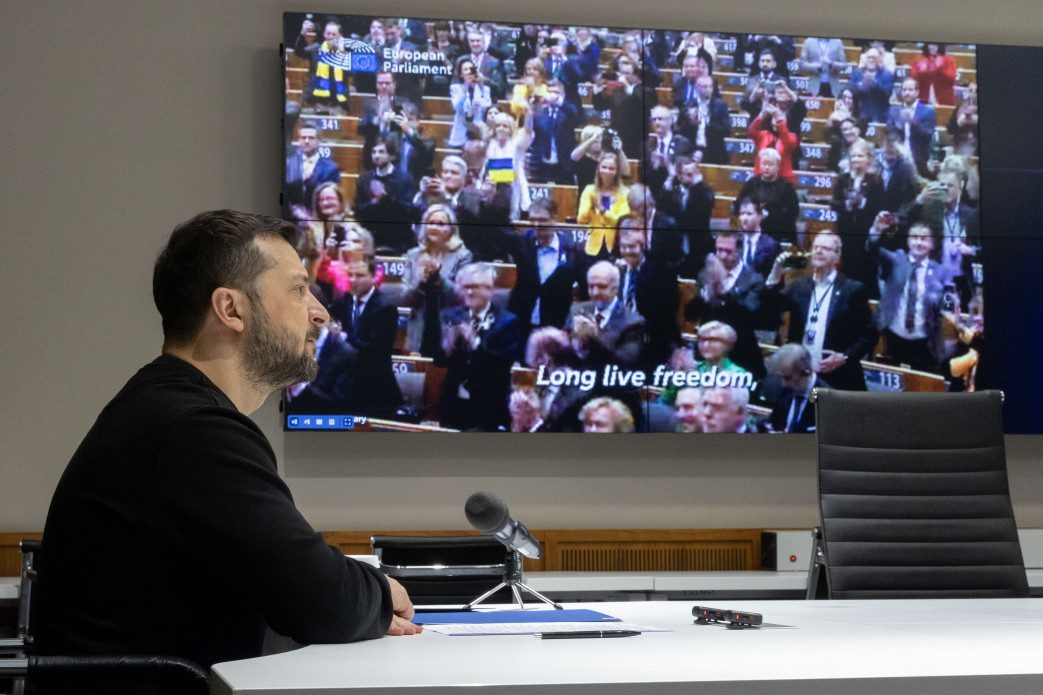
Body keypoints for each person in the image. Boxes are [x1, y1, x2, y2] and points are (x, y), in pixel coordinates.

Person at [36, 211, 420, 675]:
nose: (320, 312)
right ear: (231, 309)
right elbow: (322, 601)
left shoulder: (169, 408)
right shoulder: (194, 430)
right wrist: (382, 592)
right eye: (299, 290)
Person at [763, 231, 876, 390]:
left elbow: (869, 334)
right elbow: (768, 310)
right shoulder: (799, 286)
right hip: (801, 374)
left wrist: (844, 357)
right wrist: (774, 276)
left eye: (826, 248)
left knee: (824, 413)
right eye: (816, 247)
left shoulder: (852, 290)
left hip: (836, 376)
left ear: (837, 257)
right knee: (806, 411)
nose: (819, 251)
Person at [425, 263, 523, 431]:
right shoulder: (451, 316)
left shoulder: (508, 322)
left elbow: (500, 365)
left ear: (490, 289)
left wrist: (474, 341)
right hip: (454, 403)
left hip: (489, 406)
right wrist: (445, 346)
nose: (469, 292)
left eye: (475, 287)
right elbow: (437, 359)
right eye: (465, 287)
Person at [868, 216, 947, 373]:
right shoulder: (896, 259)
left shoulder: (940, 271)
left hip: (924, 340)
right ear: (907, 241)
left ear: (932, 244)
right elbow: (872, 249)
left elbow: (942, 305)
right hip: (892, 335)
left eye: (924, 239)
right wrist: (876, 231)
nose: (918, 242)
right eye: (914, 237)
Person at [684, 232, 766, 380]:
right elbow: (690, 314)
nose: (721, 255)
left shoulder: (754, 280)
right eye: (718, 250)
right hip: (707, 349)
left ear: (739, 251)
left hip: (740, 352)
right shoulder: (704, 275)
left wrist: (722, 289)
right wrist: (704, 295)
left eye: (727, 251)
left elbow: (749, 313)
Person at [330, 258, 403, 419]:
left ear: (373, 276)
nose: (353, 280)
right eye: (351, 275)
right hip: (347, 388)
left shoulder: (386, 307)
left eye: (360, 275)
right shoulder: (344, 302)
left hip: (376, 389)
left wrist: (341, 336)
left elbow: (373, 348)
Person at [402, 204, 474, 352]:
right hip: (419, 328)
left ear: (451, 230)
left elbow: (462, 297)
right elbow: (404, 298)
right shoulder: (413, 255)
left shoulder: (462, 256)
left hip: (448, 326)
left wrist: (439, 279)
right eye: (431, 223)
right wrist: (420, 282)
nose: (434, 227)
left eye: (441, 224)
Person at [505, 197, 584, 330]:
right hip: (521, 322)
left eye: (542, 220)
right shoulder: (521, 243)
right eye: (532, 220)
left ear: (554, 219)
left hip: (555, 324)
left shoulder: (572, 251)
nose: (536, 225)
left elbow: (584, 289)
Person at [615, 220, 680, 369]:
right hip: (622, 338)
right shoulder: (618, 272)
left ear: (642, 247)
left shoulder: (660, 272)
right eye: (623, 247)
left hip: (651, 339)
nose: (627, 252)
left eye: (631, 247)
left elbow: (665, 316)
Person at [569, 261, 646, 371]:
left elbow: (623, 364)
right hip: (574, 382)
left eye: (602, 287)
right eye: (591, 286)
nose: (595, 292)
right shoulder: (576, 310)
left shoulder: (633, 322)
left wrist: (595, 338)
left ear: (615, 288)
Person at [830, 140, 884, 292]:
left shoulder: (875, 181)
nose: (856, 159)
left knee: (865, 272)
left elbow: (879, 207)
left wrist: (863, 205)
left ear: (868, 158)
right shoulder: (843, 179)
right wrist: (846, 205)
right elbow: (834, 203)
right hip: (845, 232)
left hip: (865, 234)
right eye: (853, 156)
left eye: (860, 156)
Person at [576, 152, 631, 259]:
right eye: (604, 167)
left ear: (617, 171)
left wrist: (603, 211)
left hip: (615, 247)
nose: (607, 171)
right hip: (593, 247)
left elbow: (621, 222)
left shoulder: (625, 193)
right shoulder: (589, 190)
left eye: (611, 168)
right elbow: (581, 219)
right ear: (598, 169)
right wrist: (590, 203)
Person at [737, 149, 800, 243]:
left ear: (778, 166)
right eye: (763, 164)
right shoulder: (751, 184)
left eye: (770, 165)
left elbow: (794, 212)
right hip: (754, 231)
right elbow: (738, 205)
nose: (766, 167)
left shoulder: (786, 187)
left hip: (778, 233)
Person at [285, 122, 341, 222]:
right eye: (303, 137)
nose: (306, 141)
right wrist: (295, 211)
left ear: (319, 141)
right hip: (290, 220)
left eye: (311, 138)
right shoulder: (288, 164)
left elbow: (330, 200)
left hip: (319, 222)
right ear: (298, 140)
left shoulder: (331, 168)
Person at [293, 17, 349, 112]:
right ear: (324, 34)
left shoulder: (345, 54)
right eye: (328, 33)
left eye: (334, 34)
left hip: (337, 101)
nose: (331, 36)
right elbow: (298, 52)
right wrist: (303, 34)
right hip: (315, 100)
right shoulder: (316, 49)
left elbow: (351, 74)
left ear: (339, 36)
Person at [530, 80, 580, 185]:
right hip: (541, 166)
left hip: (563, 166)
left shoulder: (568, 113)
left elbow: (577, 116)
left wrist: (559, 100)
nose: (552, 96)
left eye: (556, 93)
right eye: (550, 92)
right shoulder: (540, 113)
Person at [765, 343, 821, 433]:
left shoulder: (827, 399)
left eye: (788, 378)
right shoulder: (784, 391)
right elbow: (773, 424)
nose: (783, 383)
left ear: (807, 372)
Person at [887, 77, 938, 175]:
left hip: (919, 159)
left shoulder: (927, 112)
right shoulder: (894, 111)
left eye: (910, 90)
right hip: (898, 157)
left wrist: (914, 122)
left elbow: (928, 135)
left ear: (917, 92)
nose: (907, 93)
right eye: (904, 90)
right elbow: (890, 131)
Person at [676, 75, 730, 165]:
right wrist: (691, 123)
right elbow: (680, 131)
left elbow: (727, 131)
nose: (708, 89)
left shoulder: (720, 106)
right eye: (705, 86)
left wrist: (708, 122)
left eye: (710, 86)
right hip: (692, 150)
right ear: (697, 87)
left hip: (714, 152)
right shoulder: (688, 106)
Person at [749, 98, 798, 185]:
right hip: (761, 179)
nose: (776, 118)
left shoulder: (792, 137)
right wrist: (762, 113)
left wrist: (779, 118)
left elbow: (786, 140)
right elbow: (752, 131)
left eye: (781, 116)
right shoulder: (763, 135)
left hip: (782, 181)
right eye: (774, 117)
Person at [570, 125, 631, 193]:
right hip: (587, 195)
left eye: (600, 137)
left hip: (609, 194)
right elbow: (573, 156)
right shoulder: (581, 156)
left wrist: (620, 151)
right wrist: (592, 139)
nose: (598, 140)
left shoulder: (609, 156)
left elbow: (626, 172)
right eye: (595, 138)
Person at [732, 196, 781, 279]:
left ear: (760, 216)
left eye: (749, 214)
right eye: (742, 213)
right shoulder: (734, 241)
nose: (744, 218)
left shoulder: (771, 245)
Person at [448, 59, 493, 147]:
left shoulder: (484, 89)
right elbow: (457, 107)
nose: (469, 72)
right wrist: (466, 87)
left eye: (471, 69)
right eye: (465, 69)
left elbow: (488, 107)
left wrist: (482, 83)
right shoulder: (456, 88)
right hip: (461, 133)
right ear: (461, 74)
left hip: (478, 132)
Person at [848, 48, 895, 124]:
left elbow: (888, 93)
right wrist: (862, 85)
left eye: (874, 57)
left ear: (879, 59)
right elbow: (850, 91)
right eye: (869, 57)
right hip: (859, 113)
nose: (871, 60)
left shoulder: (887, 75)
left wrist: (874, 84)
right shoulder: (856, 73)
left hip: (879, 114)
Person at [457, 30, 506, 99]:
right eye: (472, 41)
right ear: (468, 43)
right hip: (465, 101)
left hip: (488, 102)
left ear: (484, 43)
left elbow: (500, 88)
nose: (475, 44)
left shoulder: (495, 62)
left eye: (478, 41)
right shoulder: (461, 61)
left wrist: (484, 80)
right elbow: (454, 84)